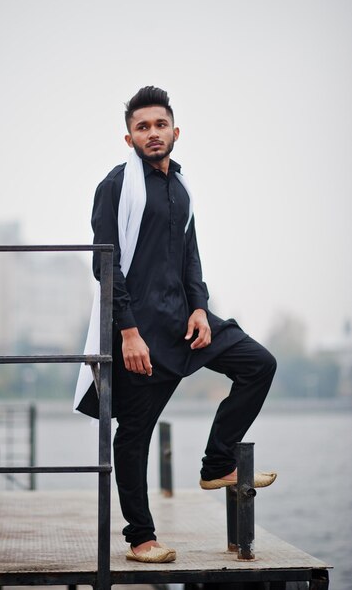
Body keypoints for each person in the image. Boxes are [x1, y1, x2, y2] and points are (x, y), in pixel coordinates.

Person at [76, 86, 277, 564]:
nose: (152, 133)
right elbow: (105, 263)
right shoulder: (117, 185)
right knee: (134, 433)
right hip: (140, 334)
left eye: (159, 125)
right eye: (142, 127)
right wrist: (126, 332)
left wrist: (201, 308)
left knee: (258, 364)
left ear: (175, 131)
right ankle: (141, 538)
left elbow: (190, 257)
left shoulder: (181, 188)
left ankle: (217, 462)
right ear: (129, 139)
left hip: (185, 323)